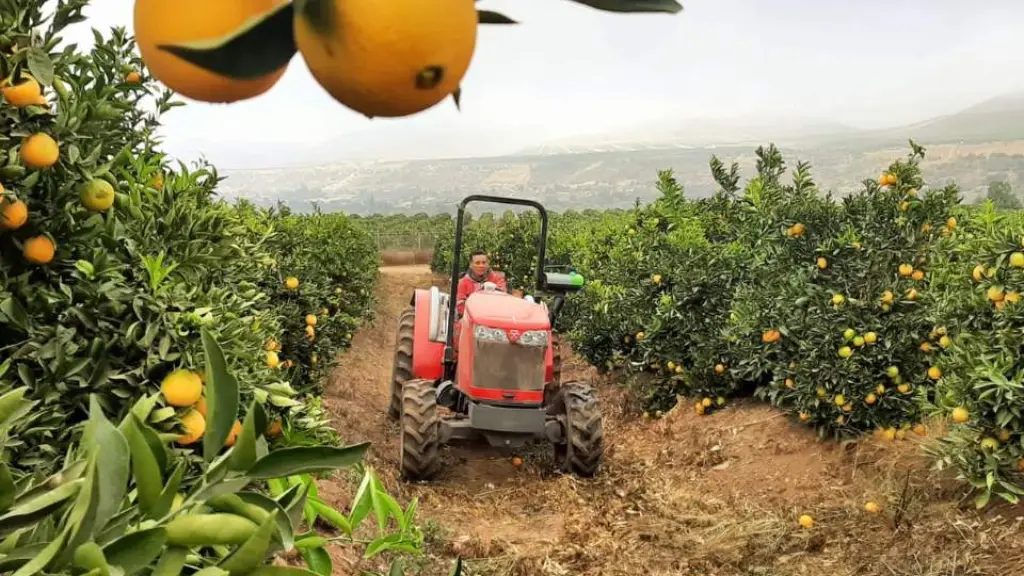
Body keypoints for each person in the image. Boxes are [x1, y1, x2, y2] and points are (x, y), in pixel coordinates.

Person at [456, 249, 507, 316]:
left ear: (488, 263)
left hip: (494, 316)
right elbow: (460, 307)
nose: (481, 265)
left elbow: (503, 298)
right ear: (471, 265)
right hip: (471, 318)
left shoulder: (498, 279)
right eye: (477, 263)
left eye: (484, 262)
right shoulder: (463, 282)